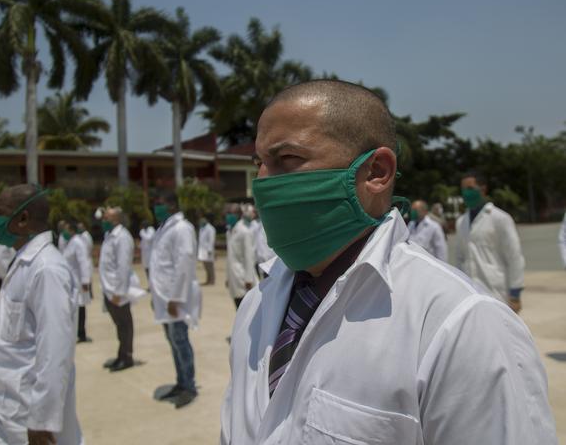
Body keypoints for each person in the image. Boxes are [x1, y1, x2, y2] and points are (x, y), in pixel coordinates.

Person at [220, 80, 556, 444]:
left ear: (376, 171)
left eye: (287, 160)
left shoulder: (462, 324)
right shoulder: (257, 306)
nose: (264, 183)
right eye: (260, 164)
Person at [0, 184, 83, 445]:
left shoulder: (47, 269)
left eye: (0, 213)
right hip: (9, 404)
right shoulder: (26, 261)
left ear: (23, 219)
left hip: (27, 416)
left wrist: (42, 421)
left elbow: (55, 351)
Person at [149, 192, 200, 409]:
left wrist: (176, 298)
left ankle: (189, 387)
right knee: (173, 342)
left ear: (171, 205)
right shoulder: (164, 227)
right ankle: (180, 381)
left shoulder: (182, 228)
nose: (155, 207)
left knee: (180, 341)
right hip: (164, 298)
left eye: (159, 202)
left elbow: (185, 262)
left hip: (174, 299)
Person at [455, 171, 526, 312]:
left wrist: (515, 295)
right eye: (463, 189)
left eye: (470, 188)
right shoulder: (461, 221)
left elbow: (514, 257)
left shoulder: (500, 218)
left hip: (496, 292)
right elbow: (460, 258)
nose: (466, 193)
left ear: (483, 189)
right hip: (470, 293)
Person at [99, 207, 136, 372]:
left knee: (125, 324)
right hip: (109, 289)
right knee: (119, 325)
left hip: (116, 291)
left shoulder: (122, 237)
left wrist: (118, 293)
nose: (103, 220)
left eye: (106, 217)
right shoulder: (109, 236)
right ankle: (121, 355)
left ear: (116, 219)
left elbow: (123, 266)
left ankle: (126, 357)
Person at [62, 219, 93, 343]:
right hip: (71, 282)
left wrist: (85, 282)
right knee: (75, 308)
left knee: (80, 308)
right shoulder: (70, 242)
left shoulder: (78, 243)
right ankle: (76, 332)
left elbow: (83, 262)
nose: (64, 231)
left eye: (66, 229)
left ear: (71, 230)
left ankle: (82, 334)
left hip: (78, 282)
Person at [226, 204, 258, 308]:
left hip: (243, 279)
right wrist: (228, 277)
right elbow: (230, 257)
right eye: (227, 213)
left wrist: (248, 279)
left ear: (239, 214)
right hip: (234, 277)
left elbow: (249, 256)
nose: (228, 216)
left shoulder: (244, 232)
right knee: (238, 308)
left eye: (231, 213)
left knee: (246, 310)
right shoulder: (229, 231)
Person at [197, 215, 216, 285]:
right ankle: (208, 280)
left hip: (208, 250)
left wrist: (210, 250)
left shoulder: (210, 229)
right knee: (205, 265)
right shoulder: (202, 228)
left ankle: (212, 280)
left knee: (210, 266)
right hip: (202, 250)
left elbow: (211, 240)